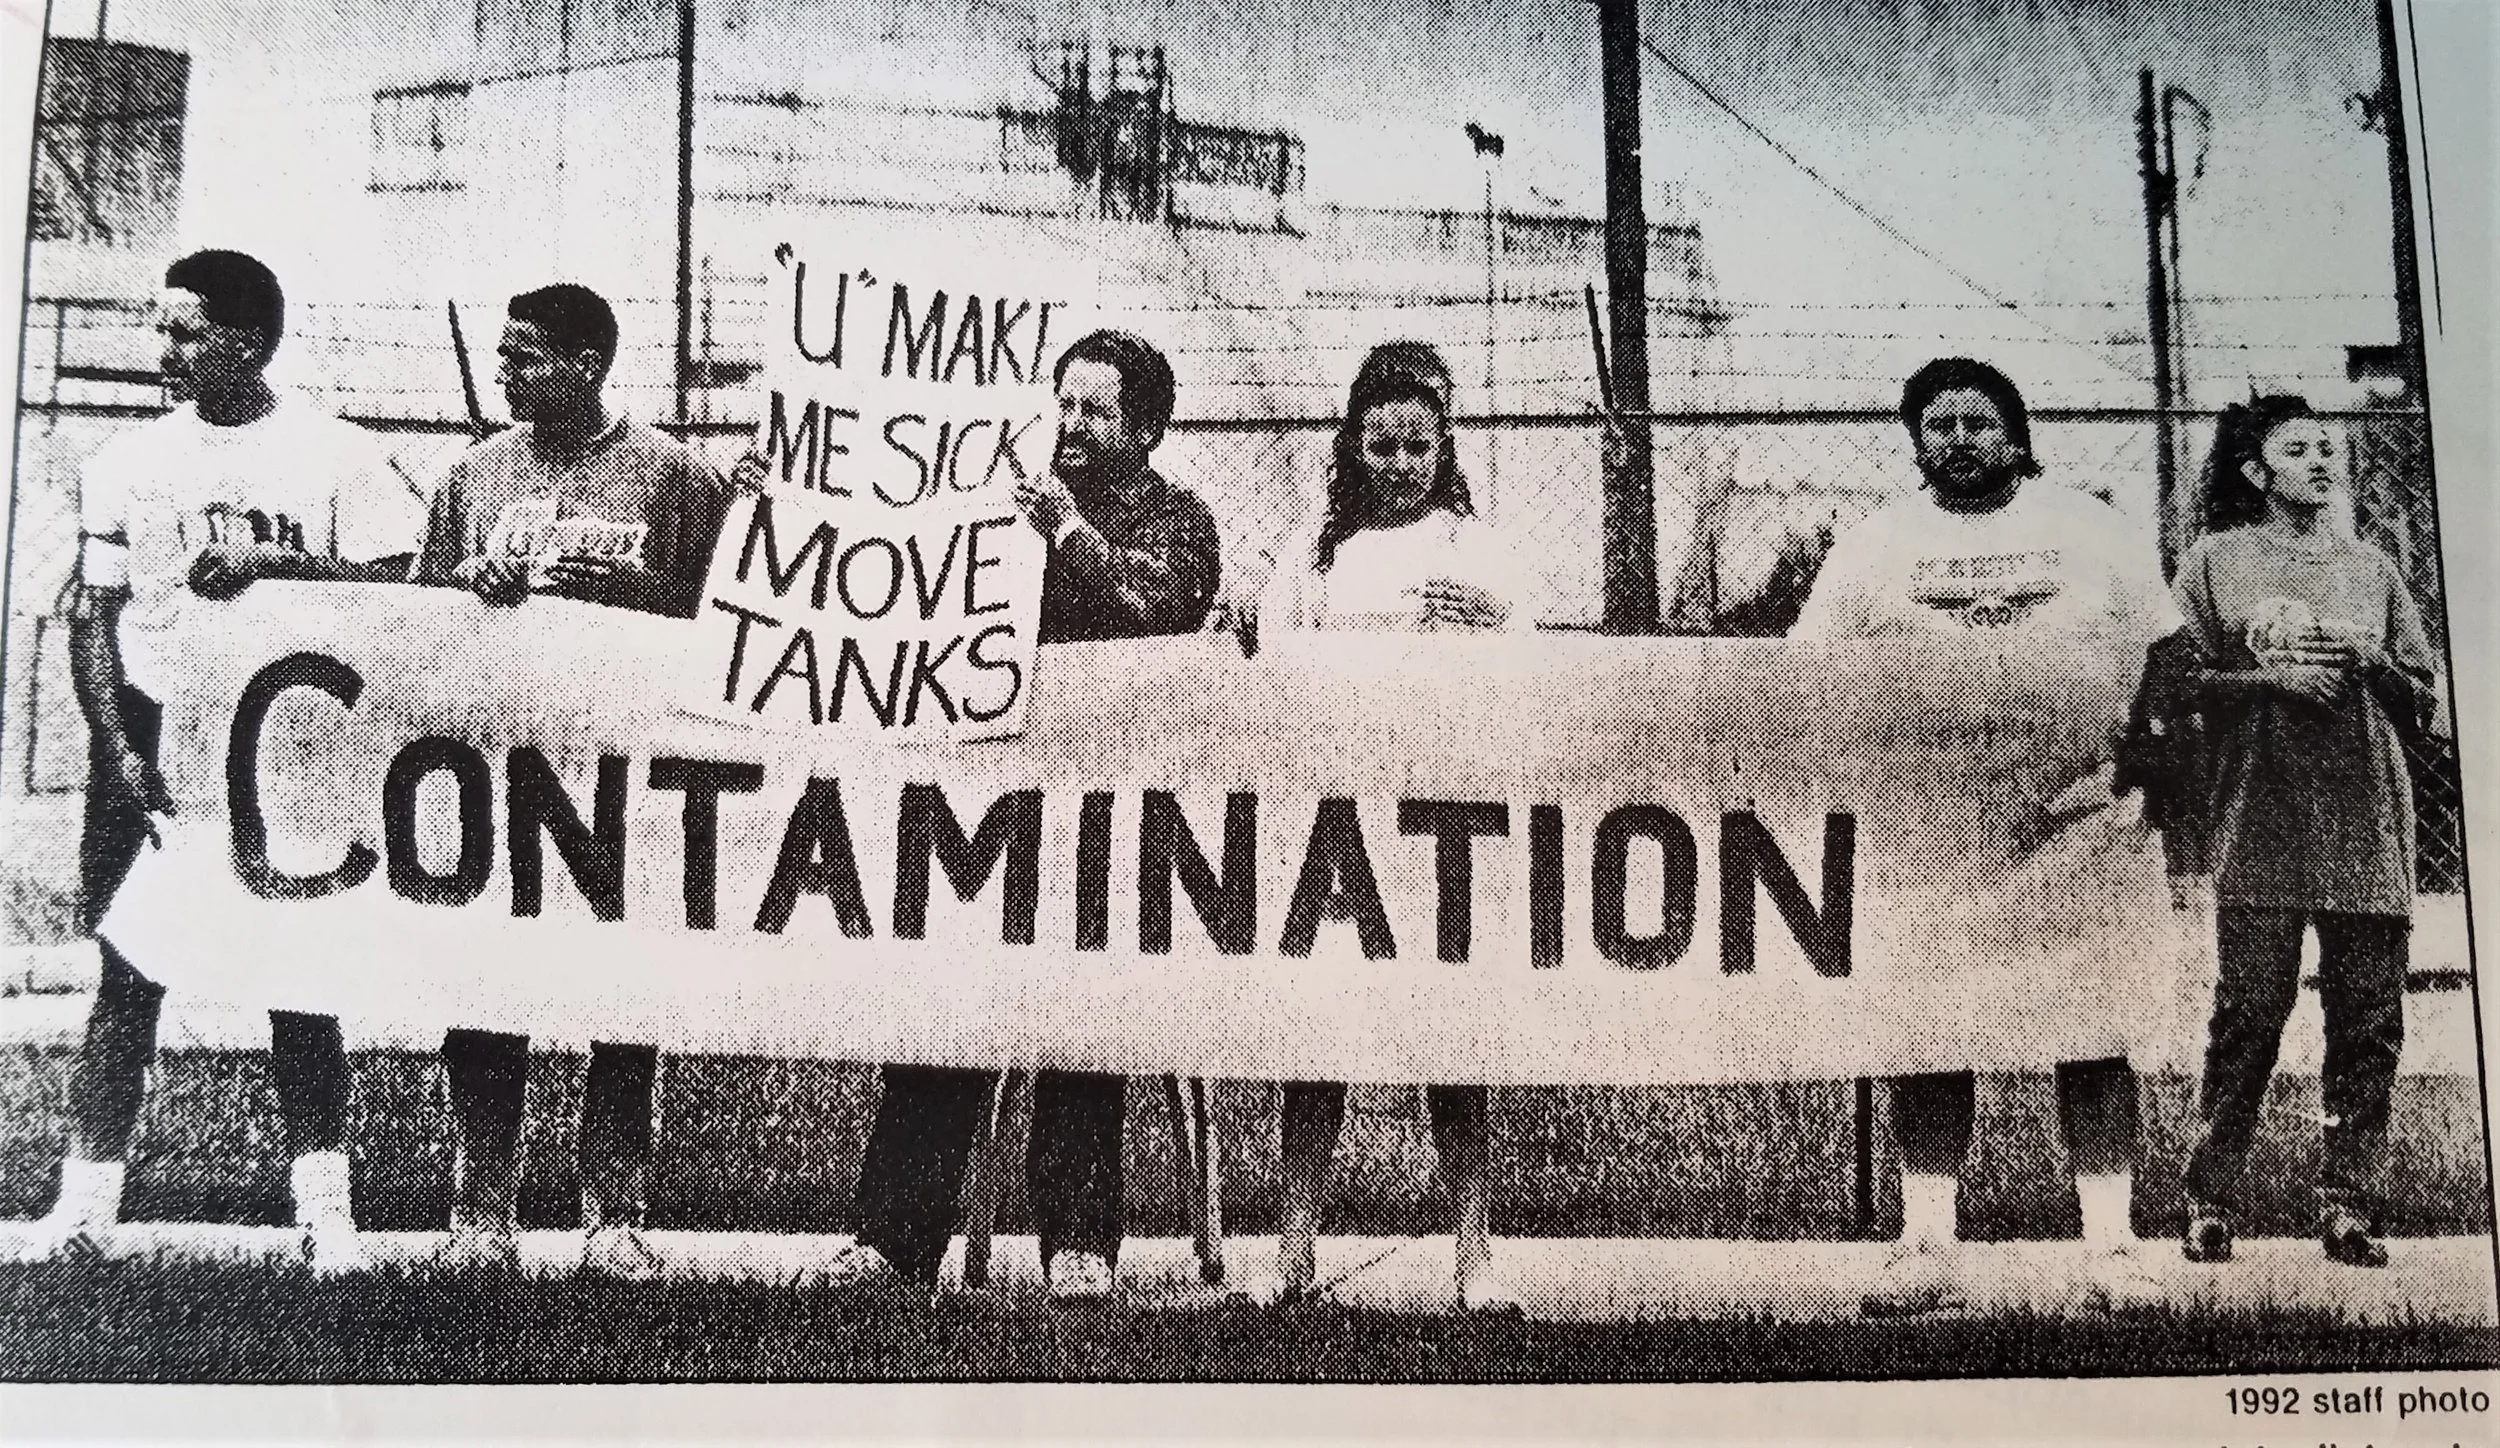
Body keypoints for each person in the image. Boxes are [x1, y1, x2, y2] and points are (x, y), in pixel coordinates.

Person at [9, 249, 422, 1272]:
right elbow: (96, 617)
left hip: (282, 744)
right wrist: (119, 747)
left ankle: (326, 1214)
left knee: (298, 975)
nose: (166, 351)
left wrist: (278, 562)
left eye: (185, 333)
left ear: (249, 342)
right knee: (129, 970)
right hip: (156, 735)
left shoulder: (335, 455)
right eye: (163, 330)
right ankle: (84, 1208)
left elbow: (396, 589)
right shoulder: (129, 460)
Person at [817, 329, 1220, 1302]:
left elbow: (1156, 607)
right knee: (946, 1009)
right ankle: (893, 1241)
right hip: (982, 803)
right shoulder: (993, 494)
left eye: (1095, 410)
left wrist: (1067, 533)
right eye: (1063, 403)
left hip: (1106, 815)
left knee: (1082, 1017)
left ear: (1146, 428)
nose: (1070, 424)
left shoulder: (1177, 517)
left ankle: (1078, 1241)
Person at [1790, 358, 2180, 1317]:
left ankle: (2112, 1246)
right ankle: (1928, 1244)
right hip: (1931, 831)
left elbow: (2167, 652)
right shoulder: (1876, 545)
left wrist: (2143, 755)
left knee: (2091, 1030)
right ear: (1917, 442)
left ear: (2016, 434)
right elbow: (1809, 673)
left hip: (2076, 823)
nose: (1960, 441)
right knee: (1931, 1030)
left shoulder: (2089, 530)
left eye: (1979, 423)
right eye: (1940, 426)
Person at [409, 283, 732, 1278]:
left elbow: (733, 623)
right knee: (486, 991)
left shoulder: (676, 476)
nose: (505, 372)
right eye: (502, 356)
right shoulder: (473, 475)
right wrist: (469, 585)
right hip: (501, 774)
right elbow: (416, 624)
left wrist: (644, 592)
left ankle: (614, 1215)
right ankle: (481, 1212)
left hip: (627, 777)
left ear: (587, 364)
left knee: (624, 995)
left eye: (525, 357)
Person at [1228, 341, 1525, 1314]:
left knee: (1453, 1049)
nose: (1399, 464)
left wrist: (1491, 625)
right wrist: (1247, 612)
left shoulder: (1473, 549)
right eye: (1381, 445)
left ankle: (1474, 1256)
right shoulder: (1319, 550)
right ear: (1353, 446)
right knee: (1320, 1047)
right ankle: (1294, 1251)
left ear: (1444, 448)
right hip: (1340, 827)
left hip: (1442, 827)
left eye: (1417, 446)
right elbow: (1270, 662)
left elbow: (1535, 669)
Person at [2167, 395, 2434, 1269]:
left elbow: (2422, 704)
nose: (2322, 461)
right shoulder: (2216, 561)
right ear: (2256, 471)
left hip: (2365, 819)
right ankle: (2210, 1201)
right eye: (2297, 449)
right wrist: (2270, 682)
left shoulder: (2372, 569)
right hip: (2262, 817)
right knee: (2250, 1012)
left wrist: (2371, 660)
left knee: (2367, 1019)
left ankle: (2348, 1206)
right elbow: (2176, 682)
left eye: (2328, 446)